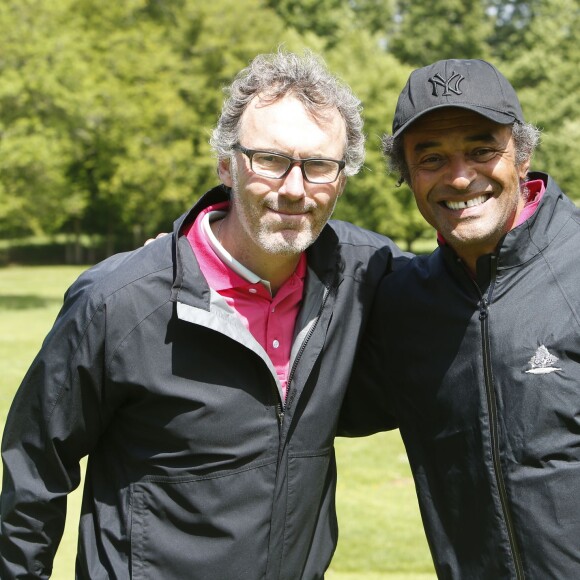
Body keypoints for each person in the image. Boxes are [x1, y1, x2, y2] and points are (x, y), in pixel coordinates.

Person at [0, 51, 407, 579]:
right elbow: (34, 473)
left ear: (342, 179)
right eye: (270, 160)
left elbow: (469, 290)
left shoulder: (365, 274)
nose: (293, 187)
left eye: (318, 166)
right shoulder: (119, 302)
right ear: (226, 165)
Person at [340, 58, 580, 578]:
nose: (460, 176)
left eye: (481, 149)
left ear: (522, 154)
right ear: (406, 176)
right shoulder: (402, 305)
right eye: (431, 157)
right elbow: (299, 412)